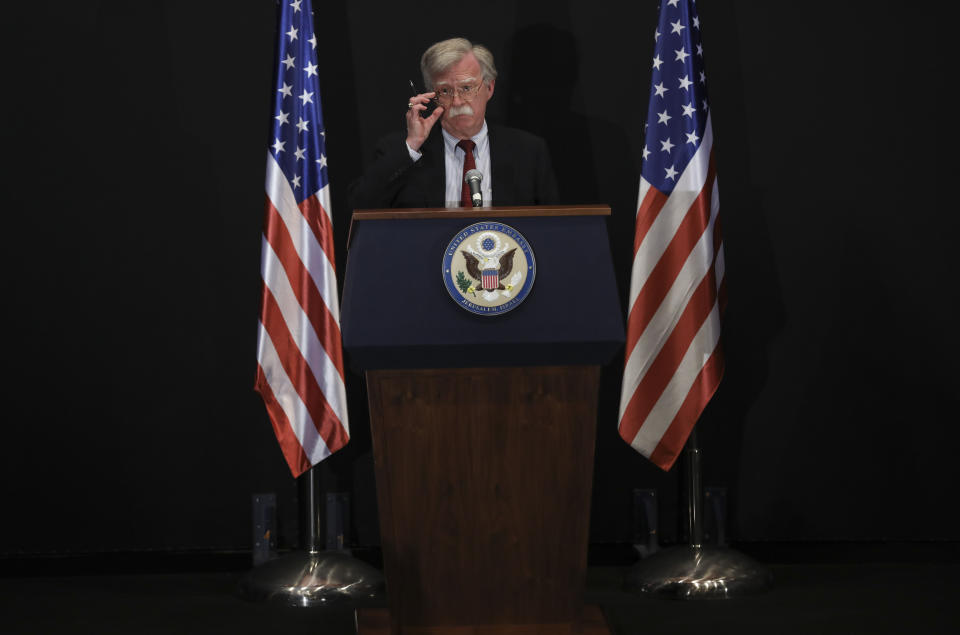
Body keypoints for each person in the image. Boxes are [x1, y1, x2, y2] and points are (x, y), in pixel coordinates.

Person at [349, 37, 559, 209]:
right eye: (446, 91)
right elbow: (359, 206)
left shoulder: (529, 152)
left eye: (467, 88)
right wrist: (411, 146)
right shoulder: (403, 152)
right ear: (433, 95)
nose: (457, 101)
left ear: (489, 88)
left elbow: (551, 229)